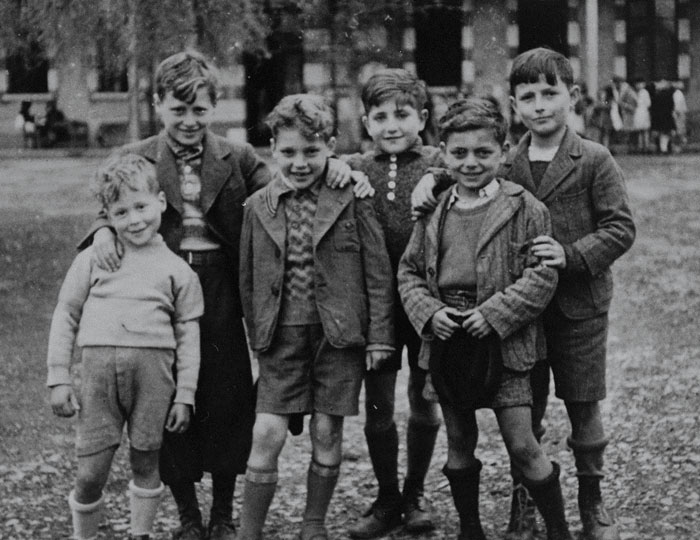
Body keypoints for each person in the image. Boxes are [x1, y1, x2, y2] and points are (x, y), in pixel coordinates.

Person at [79, 51, 356, 540]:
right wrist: (103, 230)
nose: (189, 121)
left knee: (226, 394)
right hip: (157, 290)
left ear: (215, 106)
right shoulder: (136, 157)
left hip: (221, 286)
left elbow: (288, 186)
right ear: (158, 103)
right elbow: (110, 202)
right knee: (166, 395)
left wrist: (342, 169)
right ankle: (187, 514)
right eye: (178, 110)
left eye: (200, 110)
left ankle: (224, 513)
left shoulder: (239, 156)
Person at [411, 47, 636, 540]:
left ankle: (592, 500)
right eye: (528, 97)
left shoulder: (593, 158)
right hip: (519, 316)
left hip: (577, 308)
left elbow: (621, 228)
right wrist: (430, 178)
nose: (540, 106)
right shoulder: (506, 160)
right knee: (524, 414)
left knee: (583, 406)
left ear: (572, 97)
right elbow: (465, 166)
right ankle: (524, 505)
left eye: (550, 94)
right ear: (514, 106)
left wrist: (571, 255)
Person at [398, 95, 568, 540]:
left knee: (523, 443)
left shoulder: (525, 208)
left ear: (504, 152)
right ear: (442, 154)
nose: (471, 163)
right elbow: (410, 272)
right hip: (448, 341)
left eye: (483, 152)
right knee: (458, 441)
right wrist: (430, 312)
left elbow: (542, 276)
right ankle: (469, 530)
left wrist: (493, 314)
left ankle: (559, 531)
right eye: (459, 153)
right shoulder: (433, 210)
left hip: (505, 344)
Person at [237, 94, 395, 540]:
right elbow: (249, 280)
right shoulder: (258, 207)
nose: (301, 162)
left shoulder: (352, 196)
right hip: (281, 337)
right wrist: (258, 339)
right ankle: (249, 532)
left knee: (327, 432)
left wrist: (380, 336)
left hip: (338, 337)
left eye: (312, 151)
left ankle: (314, 524)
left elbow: (378, 271)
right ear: (272, 150)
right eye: (289, 152)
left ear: (330, 146)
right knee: (266, 433)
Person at [47, 154, 205, 540]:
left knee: (146, 460)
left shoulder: (177, 270)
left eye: (141, 207)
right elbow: (66, 314)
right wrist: (58, 377)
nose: (134, 220)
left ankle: (141, 534)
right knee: (89, 473)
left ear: (161, 203)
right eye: (121, 212)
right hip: (99, 377)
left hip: (154, 378)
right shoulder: (93, 259)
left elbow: (188, 333)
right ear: (107, 216)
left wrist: (185, 394)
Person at [342, 68, 443, 539]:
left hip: (426, 304)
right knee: (378, 406)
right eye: (379, 117)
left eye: (402, 115)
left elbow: (488, 166)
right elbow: (316, 165)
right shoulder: (357, 167)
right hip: (376, 309)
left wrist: (439, 177)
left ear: (421, 118)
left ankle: (415, 493)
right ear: (365, 121)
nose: (391, 126)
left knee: (425, 402)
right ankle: (386, 497)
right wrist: (339, 169)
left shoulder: (441, 161)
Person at [632, 80, 651, 153]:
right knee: (639, 131)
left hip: (643, 112)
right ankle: (641, 147)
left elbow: (648, 103)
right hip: (639, 112)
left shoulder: (644, 92)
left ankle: (646, 147)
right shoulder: (636, 92)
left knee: (644, 130)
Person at [672, 81, 688, 153]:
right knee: (680, 131)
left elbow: (678, 106)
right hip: (680, 115)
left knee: (679, 131)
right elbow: (679, 106)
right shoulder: (678, 94)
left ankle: (679, 147)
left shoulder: (677, 94)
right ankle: (680, 146)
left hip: (679, 115)